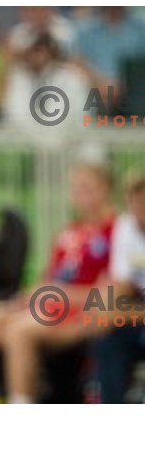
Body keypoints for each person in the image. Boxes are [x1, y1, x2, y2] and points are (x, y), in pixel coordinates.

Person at [0, 162, 115, 403]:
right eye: (75, 189)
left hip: (81, 314)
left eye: (87, 188)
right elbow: (48, 278)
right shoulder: (68, 232)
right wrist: (29, 296)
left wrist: (61, 294)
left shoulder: (117, 231)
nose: (80, 195)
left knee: (20, 331)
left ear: (106, 189)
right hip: (45, 307)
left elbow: (114, 292)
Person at [91, 170, 145, 403]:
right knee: (108, 338)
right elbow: (122, 281)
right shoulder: (126, 226)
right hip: (136, 306)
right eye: (134, 200)